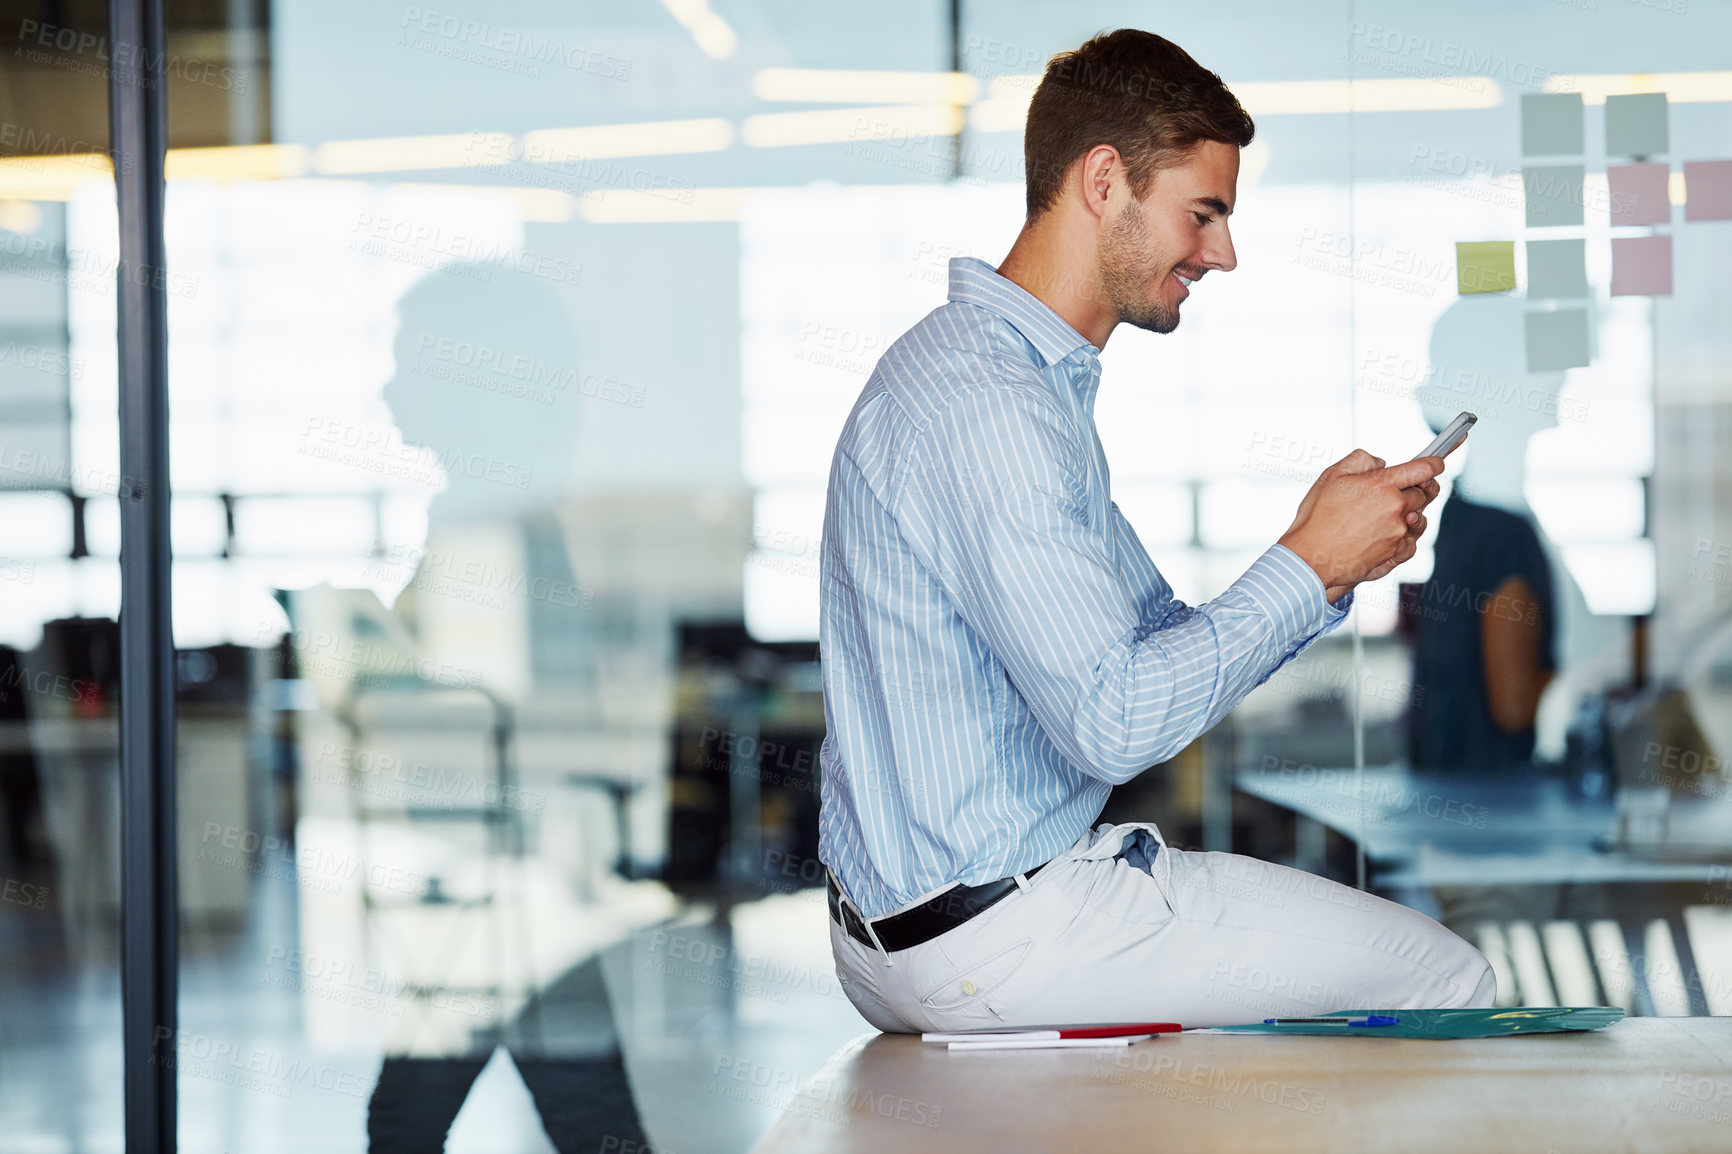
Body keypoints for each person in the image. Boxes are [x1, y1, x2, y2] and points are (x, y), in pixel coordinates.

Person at [816, 29, 1494, 1032]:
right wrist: (1305, 568)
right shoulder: (990, 404)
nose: (1222, 251)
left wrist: (1321, 552)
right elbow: (1116, 719)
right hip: (994, 933)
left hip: (933, 927)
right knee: (1445, 980)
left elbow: (1148, 644)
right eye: (1203, 212)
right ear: (1103, 181)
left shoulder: (1005, 380)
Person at [1409, 297, 1561, 774]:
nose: (1561, 376)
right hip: (1494, 814)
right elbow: (1514, 706)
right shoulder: (1500, 533)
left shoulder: (1468, 512)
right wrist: (1609, 670)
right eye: (1541, 362)